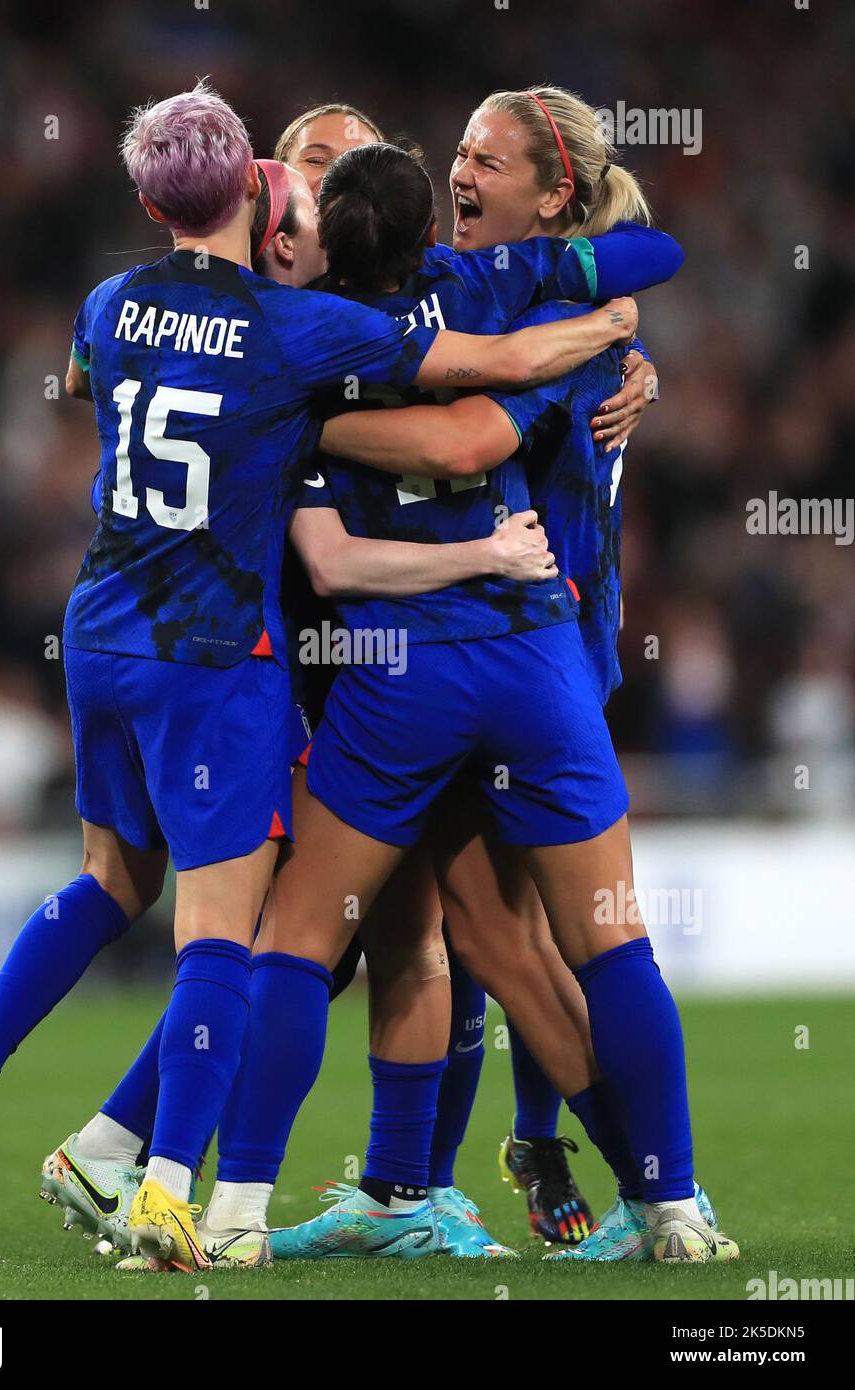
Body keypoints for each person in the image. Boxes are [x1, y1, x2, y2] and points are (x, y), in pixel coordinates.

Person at [0, 82, 638, 1275]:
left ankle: (345, 1176)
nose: (329, 206)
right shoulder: (300, 339)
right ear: (268, 199)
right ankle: (187, 1185)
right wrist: (609, 335)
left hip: (119, 630)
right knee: (285, 939)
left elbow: (100, 374)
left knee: (328, 926)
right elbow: (432, 452)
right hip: (262, 657)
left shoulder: (122, 300)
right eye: (312, 178)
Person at [200, 128, 737, 1267]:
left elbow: (434, 451)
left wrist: (298, 422)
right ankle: (669, 1204)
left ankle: (231, 1209)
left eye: (488, 159)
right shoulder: (492, 289)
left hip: (399, 666)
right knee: (589, 940)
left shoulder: (294, 338)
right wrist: (601, 322)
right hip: (536, 653)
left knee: (299, 938)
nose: (465, 177)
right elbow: (643, 265)